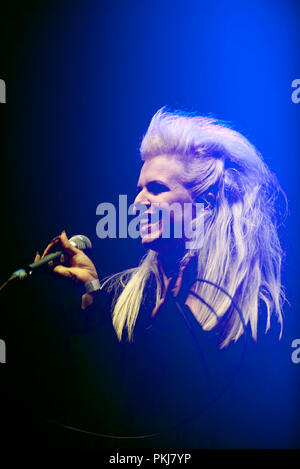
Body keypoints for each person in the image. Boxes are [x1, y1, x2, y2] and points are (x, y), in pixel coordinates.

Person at [12, 109, 288, 448]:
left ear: (206, 203)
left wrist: (176, 326)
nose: (137, 203)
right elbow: (99, 406)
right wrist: (89, 296)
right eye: (139, 189)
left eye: (156, 189)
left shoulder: (255, 317)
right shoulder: (121, 297)